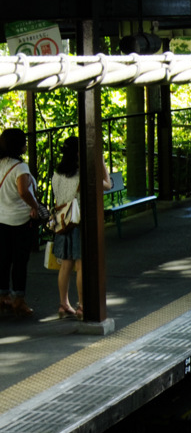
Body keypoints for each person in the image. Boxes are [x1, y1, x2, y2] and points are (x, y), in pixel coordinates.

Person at [52, 135, 112, 319]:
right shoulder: (83, 175)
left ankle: (63, 304)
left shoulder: (57, 174)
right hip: (79, 223)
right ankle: (82, 305)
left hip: (62, 222)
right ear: (79, 153)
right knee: (81, 265)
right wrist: (101, 162)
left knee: (65, 266)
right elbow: (108, 185)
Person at [0, 127, 41, 318]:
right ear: (19, 145)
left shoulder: (0, 164)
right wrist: (36, 206)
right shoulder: (20, 167)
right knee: (19, 262)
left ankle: (3, 296)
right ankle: (19, 300)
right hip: (20, 220)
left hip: (1, 219)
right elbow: (23, 191)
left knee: (3, 260)